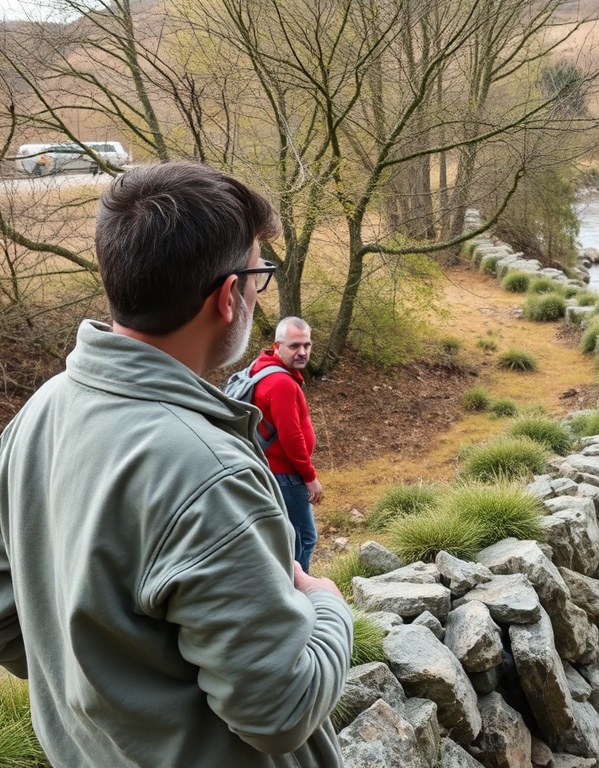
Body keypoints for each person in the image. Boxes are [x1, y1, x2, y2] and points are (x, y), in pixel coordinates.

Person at [0, 162, 354, 767]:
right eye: (257, 275)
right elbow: (281, 710)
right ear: (227, 298)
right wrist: (329, 608)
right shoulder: (206, 474)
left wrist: (111, 687)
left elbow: (10, 618)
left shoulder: (38, 414)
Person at [250, 317, 322, 571]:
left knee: (286, 538)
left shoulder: (263, 366)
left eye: (307, 345)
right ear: (278, 346)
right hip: (286, 475)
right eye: (294, 346)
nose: (302, 352)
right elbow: (291, 436)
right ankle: (299, 596)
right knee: (302, 539)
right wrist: (309, 476)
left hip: (273, 470)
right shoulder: (281, 383)